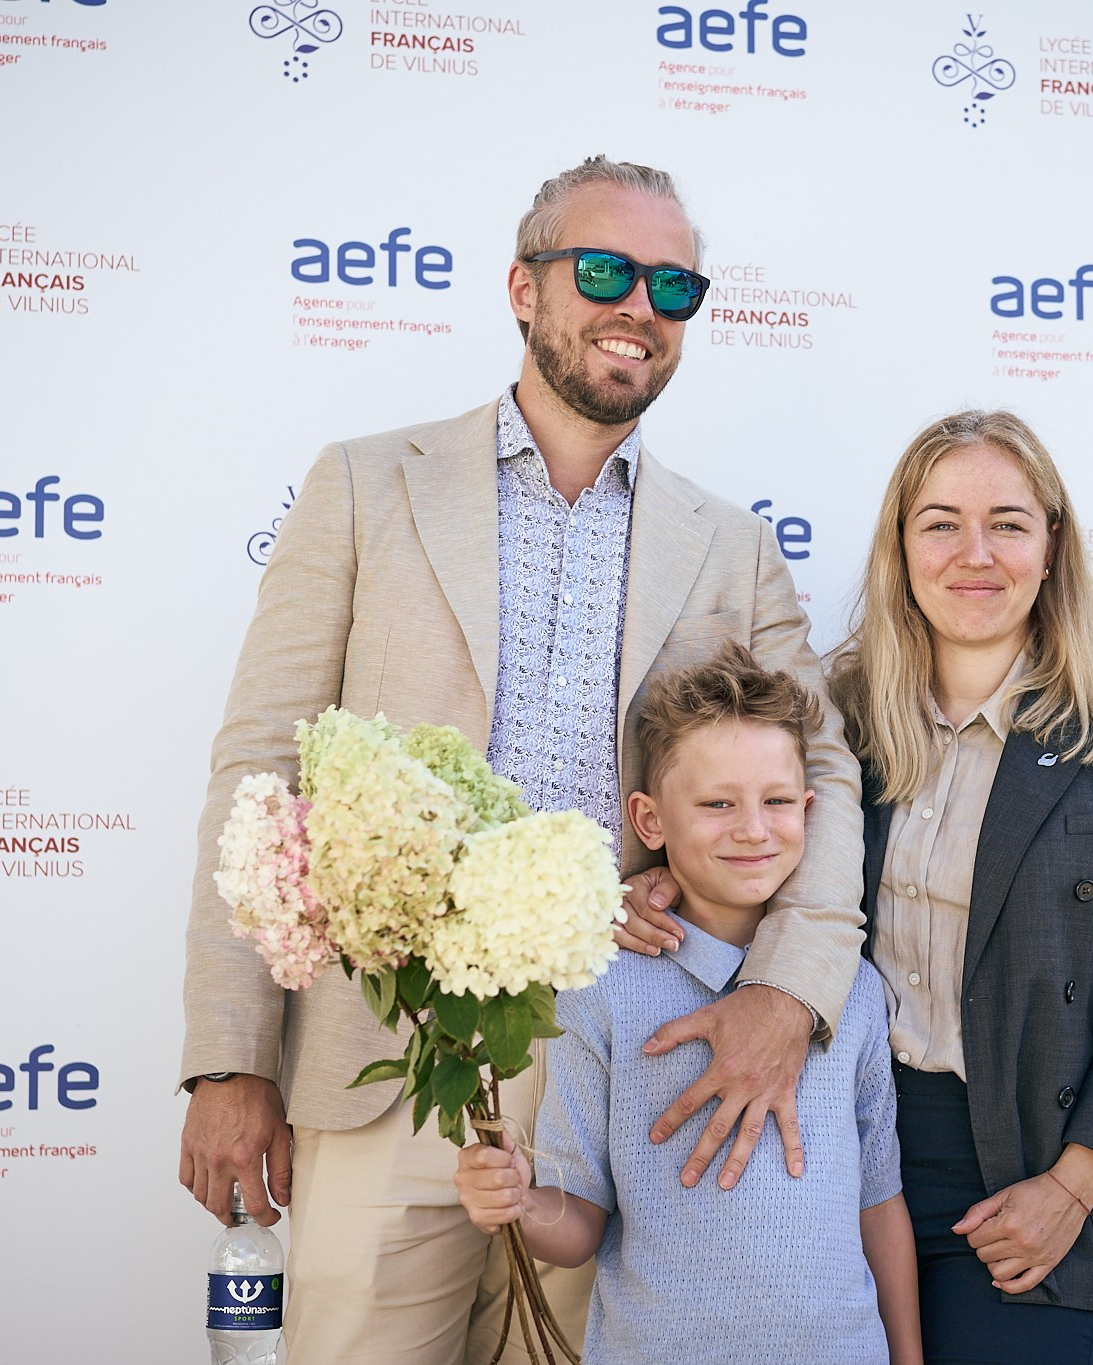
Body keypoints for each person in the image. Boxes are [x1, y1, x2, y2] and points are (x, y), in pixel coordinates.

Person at [176, 156, 866, 1365]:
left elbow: (828, 777)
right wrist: (229, 1060)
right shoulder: (364, 485)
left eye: (671, 285)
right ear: (522, 288)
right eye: (602, 269)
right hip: (389, 1061)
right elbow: (258, 777)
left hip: (630, 1074)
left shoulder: (731, 547)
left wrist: (789, 989)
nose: (636, 305)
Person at [624, 409, 1093, 1362]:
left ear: (1052, 546)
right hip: (822, 1144)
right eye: (940, 522)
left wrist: (1074, 1184)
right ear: (900, 547)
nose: (973, 552)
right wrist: (656, 888)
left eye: (1008, 522)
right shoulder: (832, 718)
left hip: (1025, 1167)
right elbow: (746, 848)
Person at [456, 643, 923, 1365]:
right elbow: (578, 1224)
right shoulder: (599, 987)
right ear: (649, 820)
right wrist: (517, 1200)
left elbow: (879, 1200)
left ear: (808, 809)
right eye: (716, 803)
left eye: (776, 801)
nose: (752, 829)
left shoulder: (850, 988)